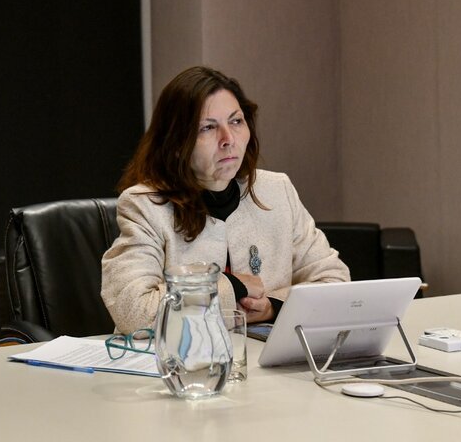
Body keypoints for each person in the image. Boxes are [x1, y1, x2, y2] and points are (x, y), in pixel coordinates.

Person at [101, 66, 349, 334]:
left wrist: (275, 306)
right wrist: (232, 288)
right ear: (174, 143)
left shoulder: (277, 191)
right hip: (179, 369)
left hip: (263, 365)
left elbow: (334, 282)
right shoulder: (145, 206)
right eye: (208, 127)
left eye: (236, 121)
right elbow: (134, 313)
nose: (228, 139)